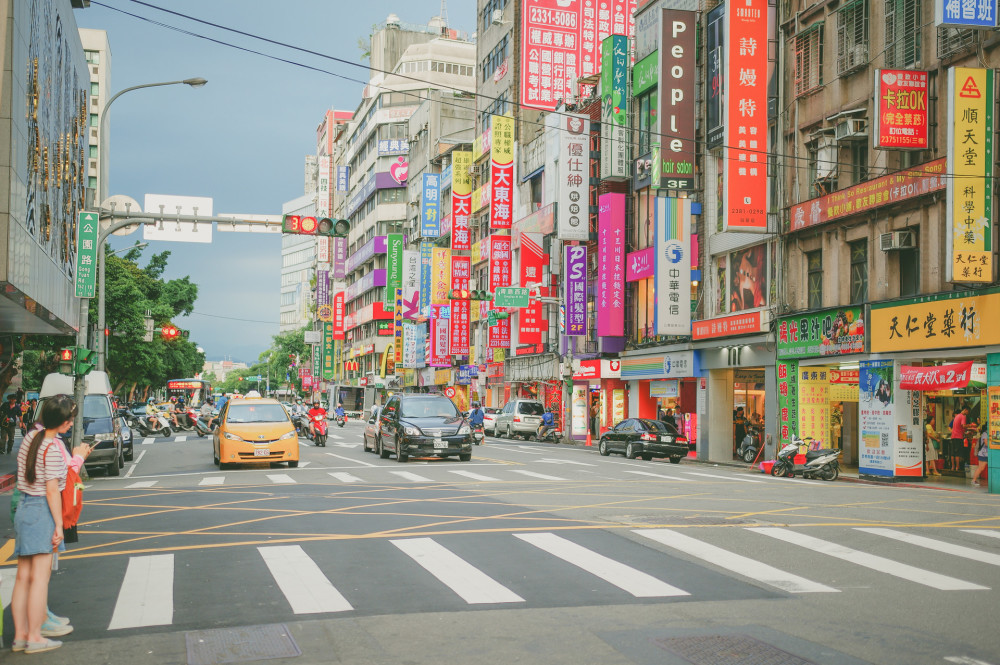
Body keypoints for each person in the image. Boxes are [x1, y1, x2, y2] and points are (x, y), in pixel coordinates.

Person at [11, 394, 78, 654]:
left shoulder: (30, 438)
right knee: (40, 579)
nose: (71, 423)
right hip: (41, 510)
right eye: (70, 419)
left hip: (24, 508)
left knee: (23, 578)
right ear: (61, 421)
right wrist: (59, 527)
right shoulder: (51, 448)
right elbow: (52, 491)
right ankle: (36, 637)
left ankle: (20, 636)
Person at [950, 405, 969, 472]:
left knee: (953, 453)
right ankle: (957, 467)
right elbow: (963, 426)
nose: (967, 413)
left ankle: (952, 467)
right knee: (957, 453)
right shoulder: (963, 416)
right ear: (965, 410)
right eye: (968, 411)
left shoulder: (957, 416)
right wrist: (970, 426)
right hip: (958, 437)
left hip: (953, 436)